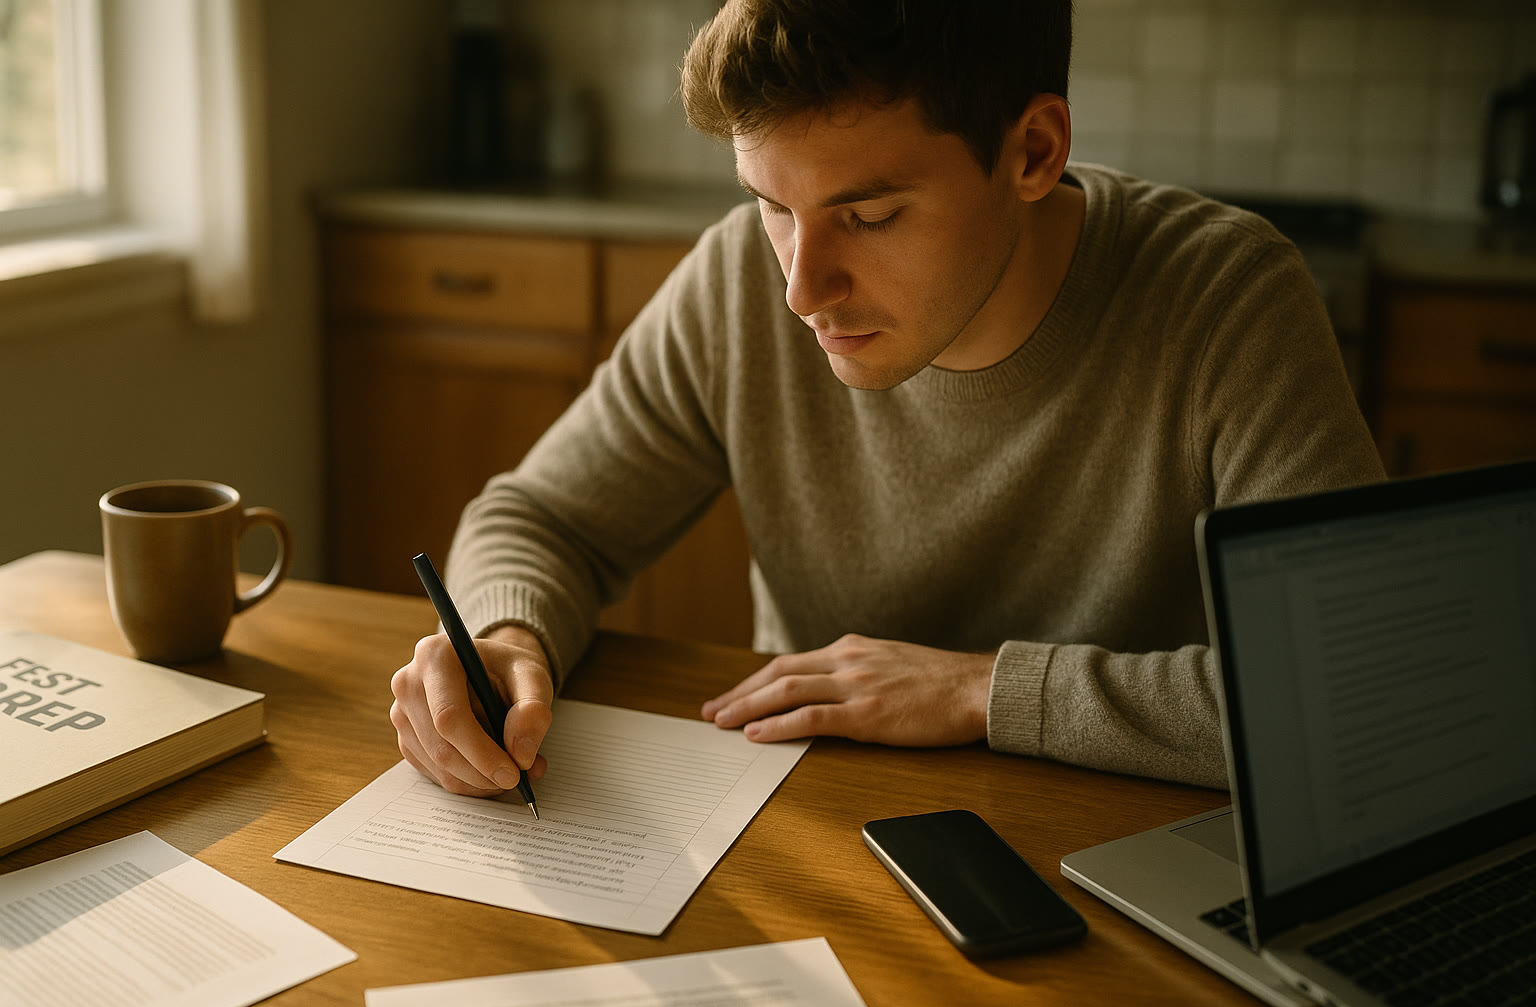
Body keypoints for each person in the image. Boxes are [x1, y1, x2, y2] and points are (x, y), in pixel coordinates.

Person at [388, 0, 1385, 799]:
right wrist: (506, 638)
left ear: (1034, 151)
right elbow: (543, 516)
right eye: (773, 206)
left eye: (866, 216)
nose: (799, 287)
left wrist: (979, 688)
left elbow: (1352, 684)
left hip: (1122, 847)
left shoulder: (1229, 298)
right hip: (814, 826)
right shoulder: (740, 280)